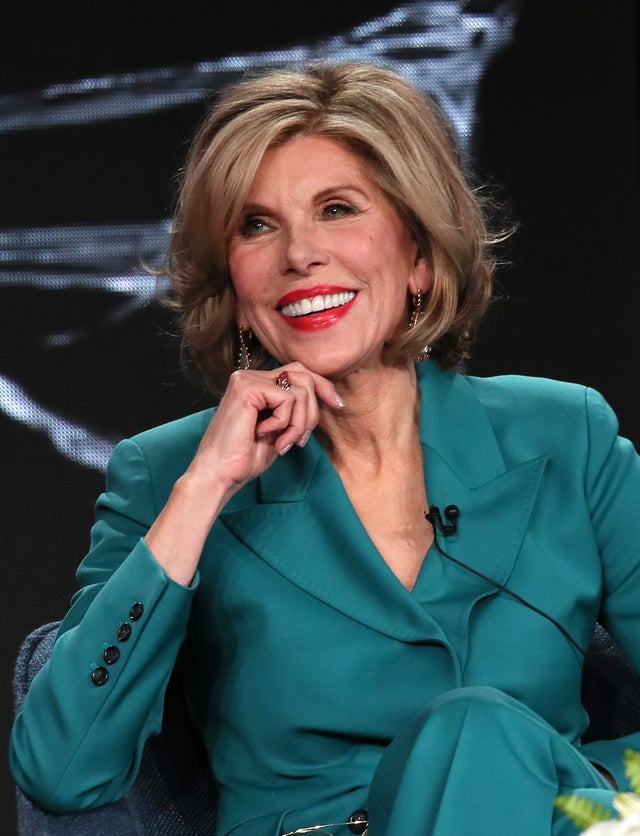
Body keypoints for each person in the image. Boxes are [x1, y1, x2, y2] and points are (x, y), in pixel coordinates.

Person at [9, 60, 640, 836]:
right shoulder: (169, 473)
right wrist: (205, 487)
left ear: (418, 255)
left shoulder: (563, 433)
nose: (299, 253)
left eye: (337, 208)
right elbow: (62, 769)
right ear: (238, 290)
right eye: (257, 224)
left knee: (480, 730)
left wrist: (599, 805)